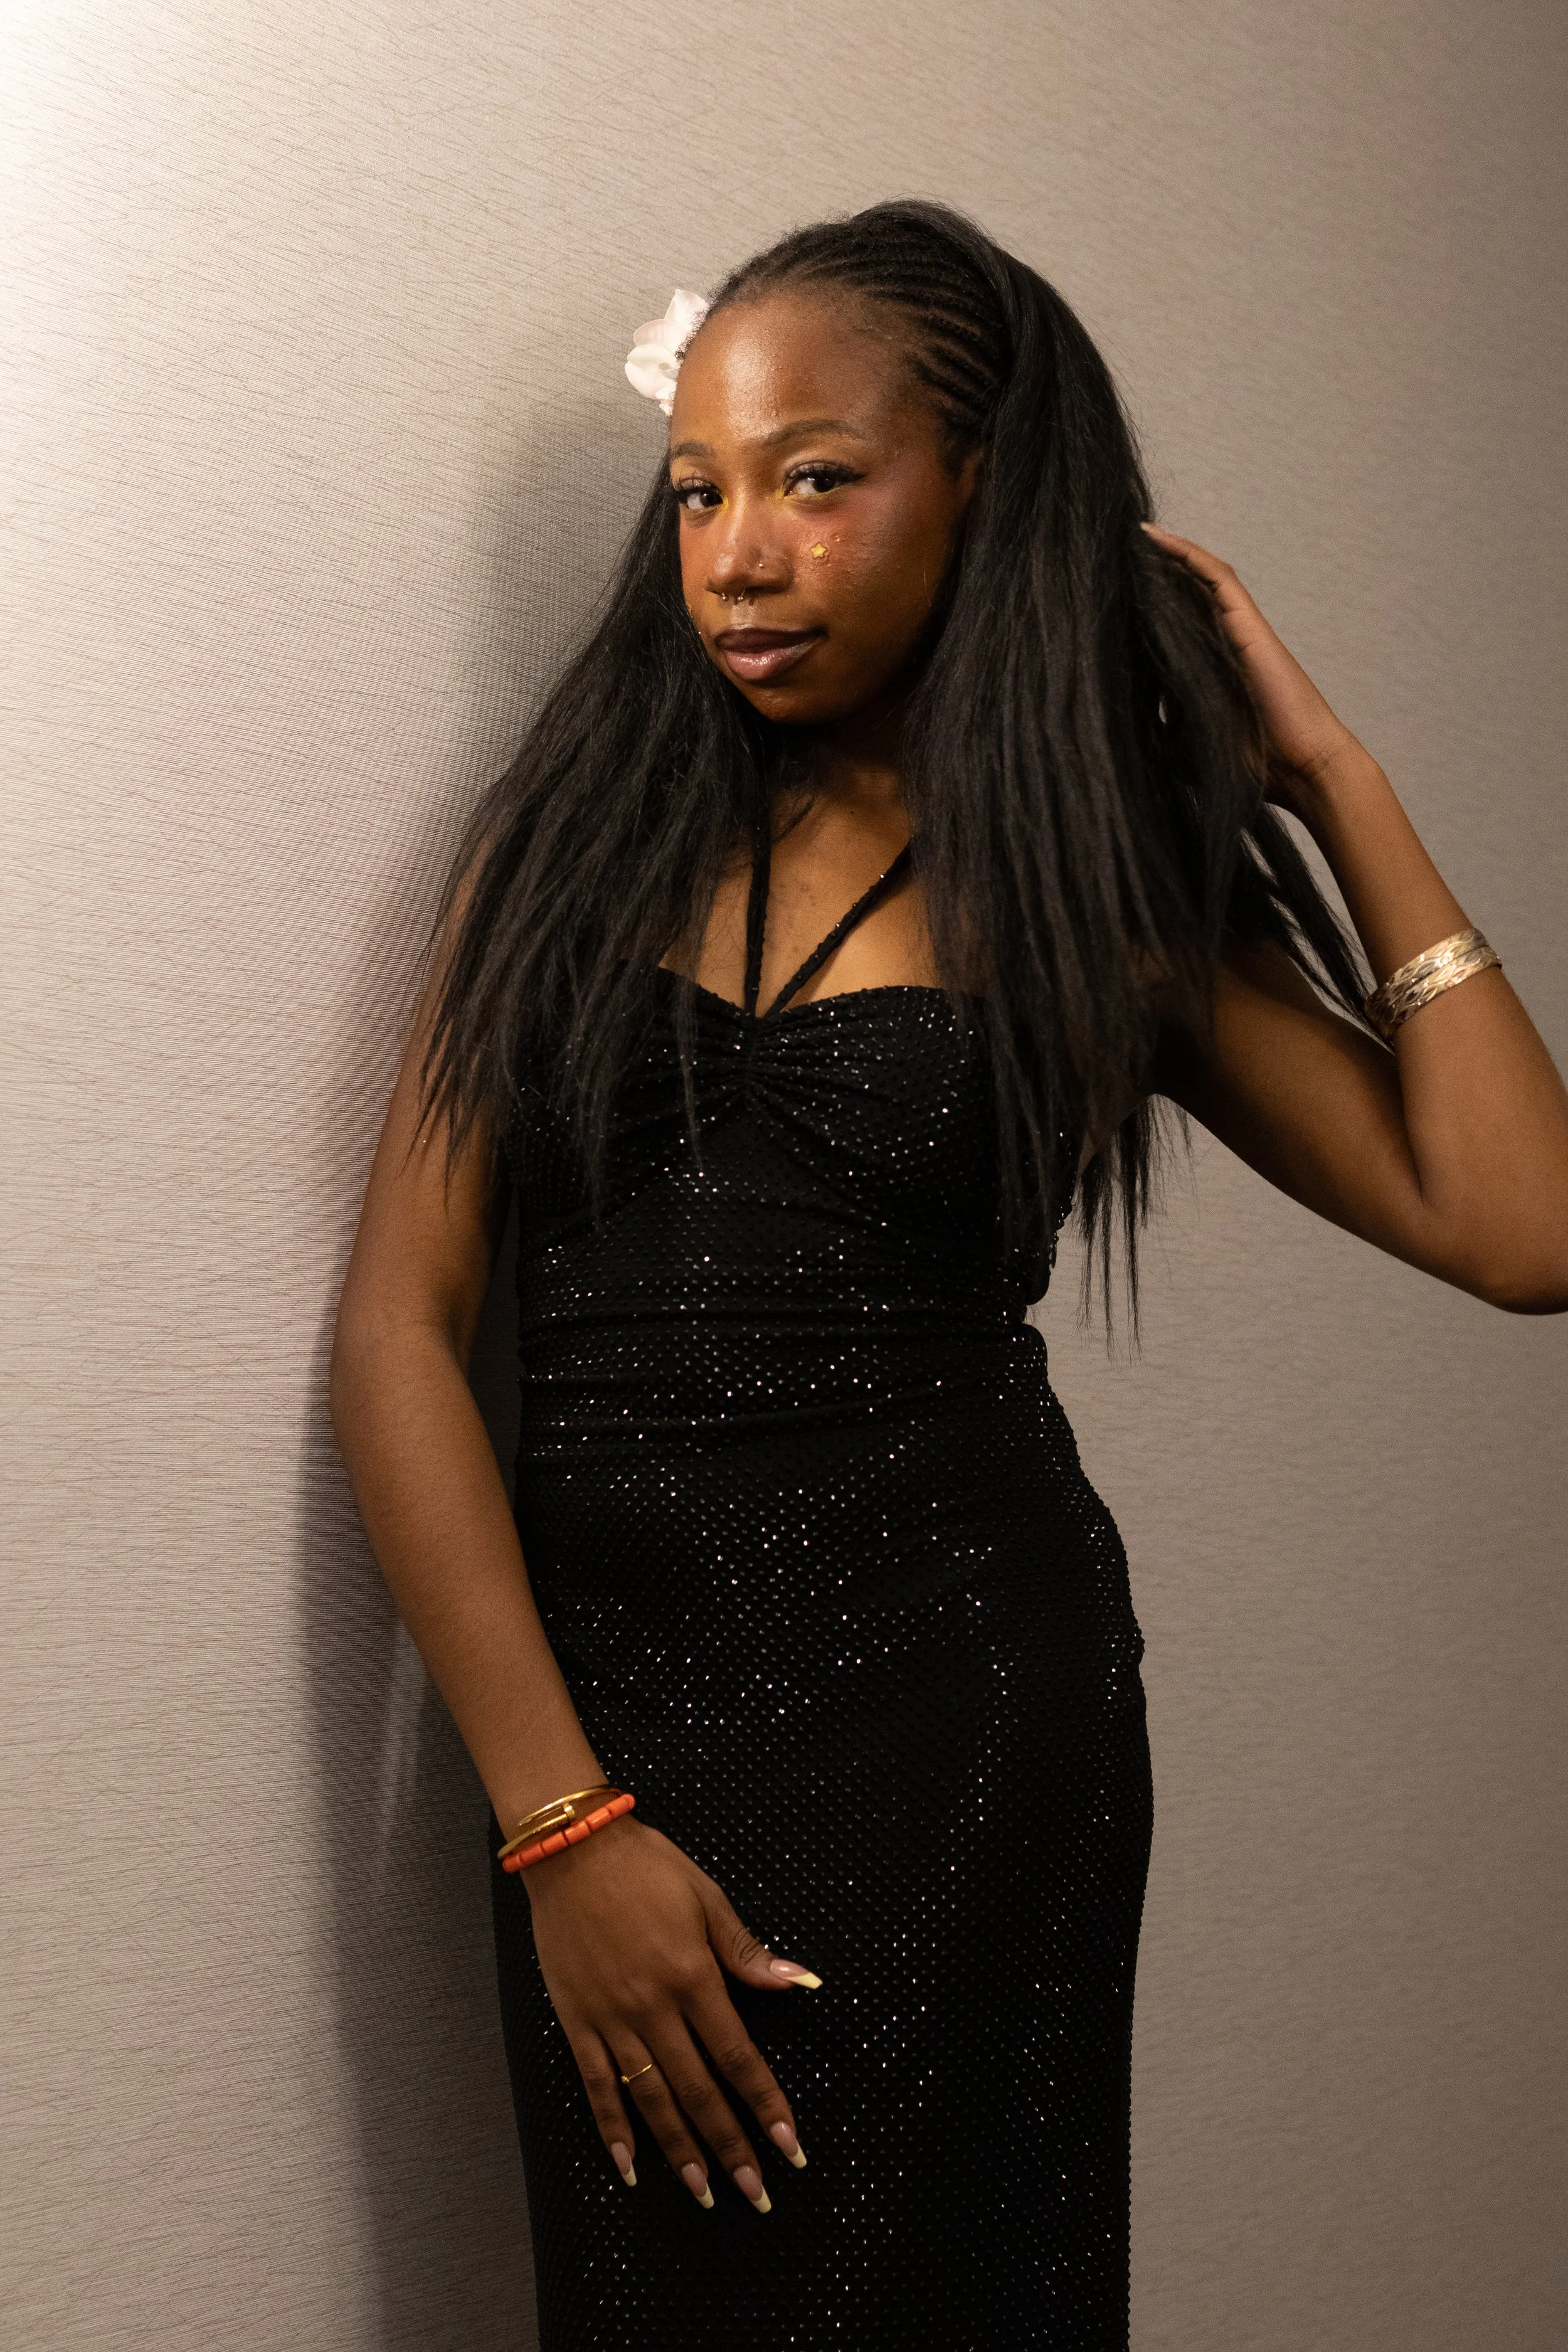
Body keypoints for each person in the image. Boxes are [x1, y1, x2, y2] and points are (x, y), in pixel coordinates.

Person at [329, 201, 1568, 2348]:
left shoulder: (1090, 881)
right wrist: (558, 1819)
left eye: (816, 478)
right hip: (604, 1738)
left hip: (963, 1725)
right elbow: (397, 1334)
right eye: (699, 488)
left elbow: (1517, 1227)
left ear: (978, 478)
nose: (738, 552)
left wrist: (1325, 775)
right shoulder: (570, 823)